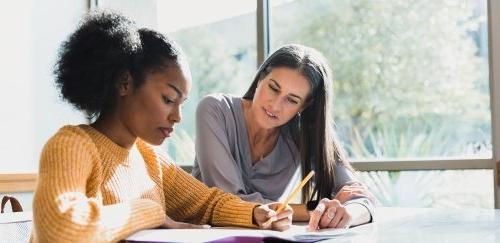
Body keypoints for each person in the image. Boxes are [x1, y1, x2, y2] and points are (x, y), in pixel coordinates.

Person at [31, 11, 292, 243]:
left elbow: (207, 204)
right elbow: (63, 230)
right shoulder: (71, 145)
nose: (177, 117)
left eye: (181, 104)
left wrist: (256, 214)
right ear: (125, 83)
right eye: (168, 99)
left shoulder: (149, 157)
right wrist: (153, 212)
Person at [192, 44, 375, 231]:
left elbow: (360, 198)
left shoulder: (304, 132)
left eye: (292, 100)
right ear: (260, 78)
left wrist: (346, 214)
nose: (276, 105)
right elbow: (230, 202)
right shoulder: (214, 110)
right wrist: (313, 209)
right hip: (200, 235)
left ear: (303, 107)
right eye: (273, 88)